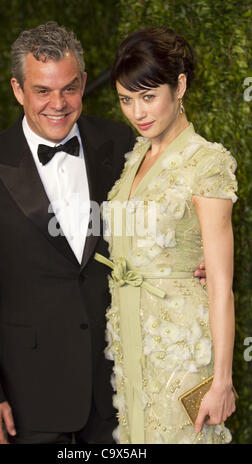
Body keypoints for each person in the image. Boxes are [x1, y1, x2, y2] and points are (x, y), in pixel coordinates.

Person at [0, 22, 206, 445]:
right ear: (18, 90)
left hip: (118, 379)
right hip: (27, 391)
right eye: (42, 91)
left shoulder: (123, 141)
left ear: (84, 83)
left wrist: (191, 261)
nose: (58, 103)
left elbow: (161, 219)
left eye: (69, 89)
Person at [94, 26, 237, 444]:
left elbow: (221, 284)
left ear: (180, 86)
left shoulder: (206, 162)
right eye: (126, 99)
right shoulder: (137, 154)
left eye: (148, 95)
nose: (137, 112)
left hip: (182, 344)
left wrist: (222, 380)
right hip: (129, 337)